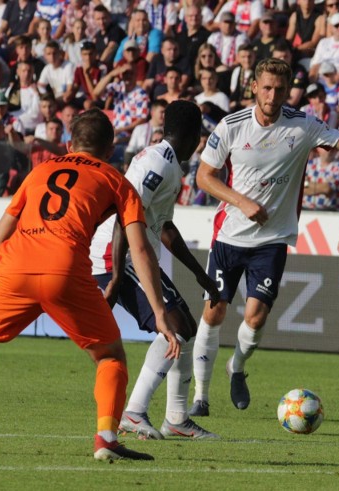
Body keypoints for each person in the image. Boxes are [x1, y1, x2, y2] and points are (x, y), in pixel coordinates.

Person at [0, 108, 178, 461]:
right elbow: (139, 248)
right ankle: (106, 438)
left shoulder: (40, 171)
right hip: (65, 269)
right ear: (110, 149)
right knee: (110, 356)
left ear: (68, 144)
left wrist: (15, 285)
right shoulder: (117, 180)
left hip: (14, 266)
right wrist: (159, 311)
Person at [188, 58, 339, 416]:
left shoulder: (303, 125)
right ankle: (201, 396)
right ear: (255, 88)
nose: (272, 96)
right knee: (214, 313)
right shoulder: (231, 126)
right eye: (266, 88)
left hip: (272, 239)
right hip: (228, 236)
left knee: (256, 318)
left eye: (279, 89)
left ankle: (238, 367)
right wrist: (241, 201)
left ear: (288, 90)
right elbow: (204, 177)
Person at [90, 101, 220, 441]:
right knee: (174, 328)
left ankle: (177, 419)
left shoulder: (170, 164)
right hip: (114, 256)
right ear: (192, 137)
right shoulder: (158, 163)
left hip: (135, 254)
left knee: (185, 328)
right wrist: (117, 276)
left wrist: (198, 273)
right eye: (200, 137)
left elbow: (164, 227)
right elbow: (123, 215)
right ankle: (133, 413)